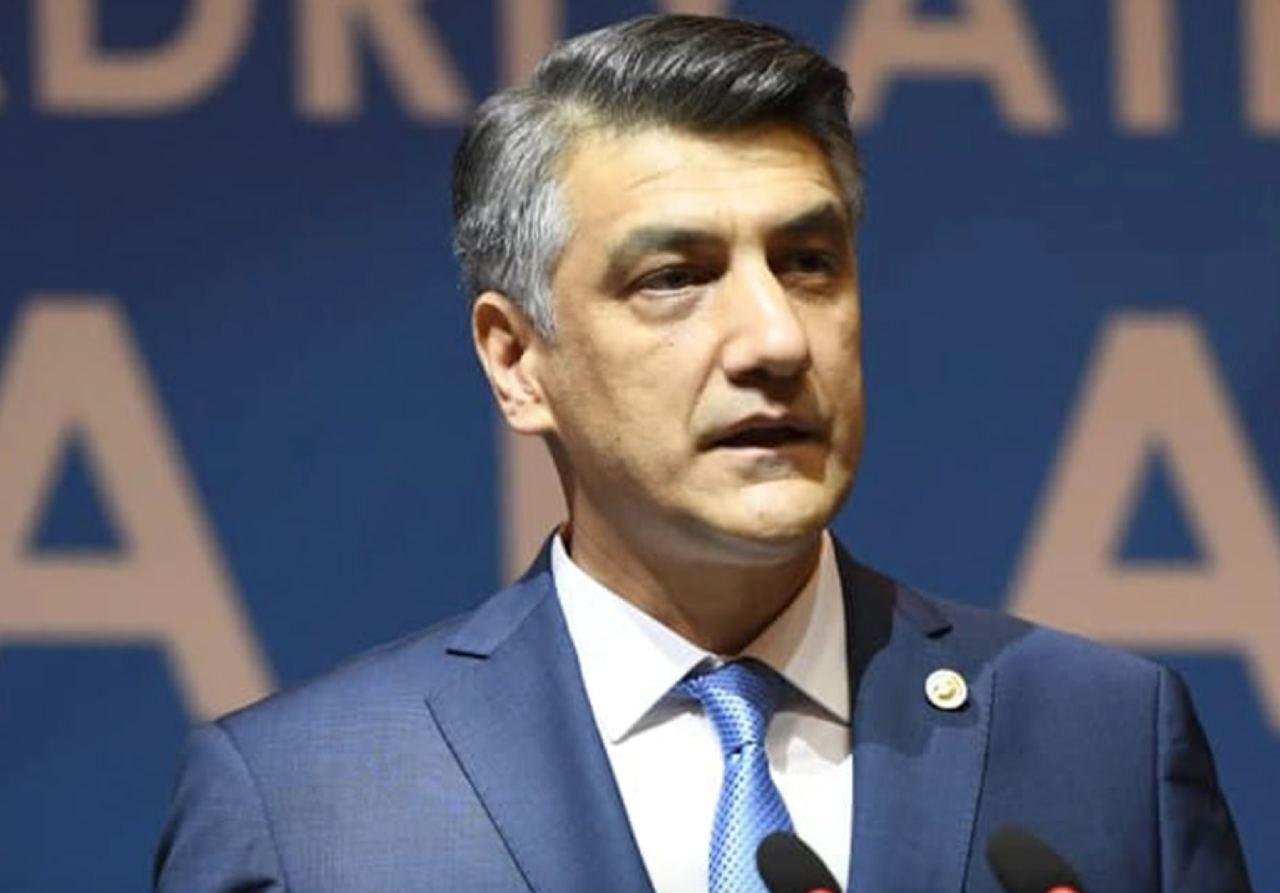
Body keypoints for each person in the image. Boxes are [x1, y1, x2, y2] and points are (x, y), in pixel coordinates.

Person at [153, 14, 1251, 893]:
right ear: (516, 360)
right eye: (673, 277)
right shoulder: (307, 804)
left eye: (808, 262)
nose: (776, 340)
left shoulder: (1101, 739)